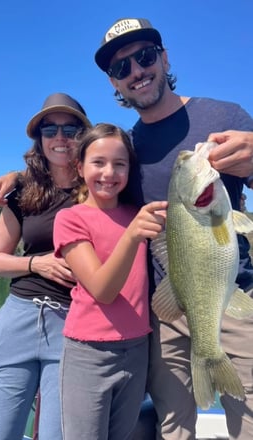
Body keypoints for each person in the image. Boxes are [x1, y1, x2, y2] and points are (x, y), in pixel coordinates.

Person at [93, 18, 253, 440]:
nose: (136, 72)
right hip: (163, 311)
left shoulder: (226, 115)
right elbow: (89, 198)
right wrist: (21, 182)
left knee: (249, 417)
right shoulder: (125, 148)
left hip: (233, 296)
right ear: (115, 83)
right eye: (120, 68)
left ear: (164, 59)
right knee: (173, 423)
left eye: (144, 57)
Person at [0, 92, 91, 440]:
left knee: (56, 435)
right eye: (50, 129)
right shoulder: (22, 193)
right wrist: (36, 264)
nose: (60, 138)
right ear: (40, 139)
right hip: (18, 319)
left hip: (72, 324)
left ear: (85, 135)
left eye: (71, 129)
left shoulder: (101, 189)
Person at [53, 122, 166, 440]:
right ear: (79, 167)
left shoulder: (138, 214)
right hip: (88, 354)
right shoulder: (71, 218)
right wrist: (132, 235)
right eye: (98, 162)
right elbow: (102, 290)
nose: (109, 172)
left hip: (138, 349)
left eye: (120, 164)